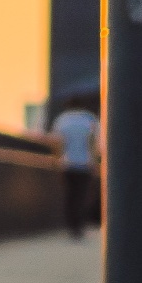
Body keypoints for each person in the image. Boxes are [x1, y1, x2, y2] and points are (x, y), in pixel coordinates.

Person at [52, 95, 101, 238]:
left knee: (70, 195)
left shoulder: (62, 119)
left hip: (67, 163)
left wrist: (57, 159)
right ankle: (79, 226)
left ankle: (71, 226)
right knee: (82, 195)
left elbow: (58, 142)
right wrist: (94, 161)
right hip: (85, 163)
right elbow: (93, 142)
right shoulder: (89, 119)